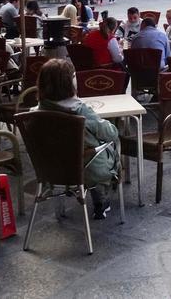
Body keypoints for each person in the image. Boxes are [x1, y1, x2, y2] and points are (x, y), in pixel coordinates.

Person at [34, 59, 121, 220]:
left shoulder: (35, 113)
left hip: (51, 169)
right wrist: (113, 126)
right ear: (70, 82)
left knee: (85, 147)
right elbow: (110, 133)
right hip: (87, 169)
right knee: (109, 142)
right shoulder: (81, 111)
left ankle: (97, 197)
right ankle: (103, 197)